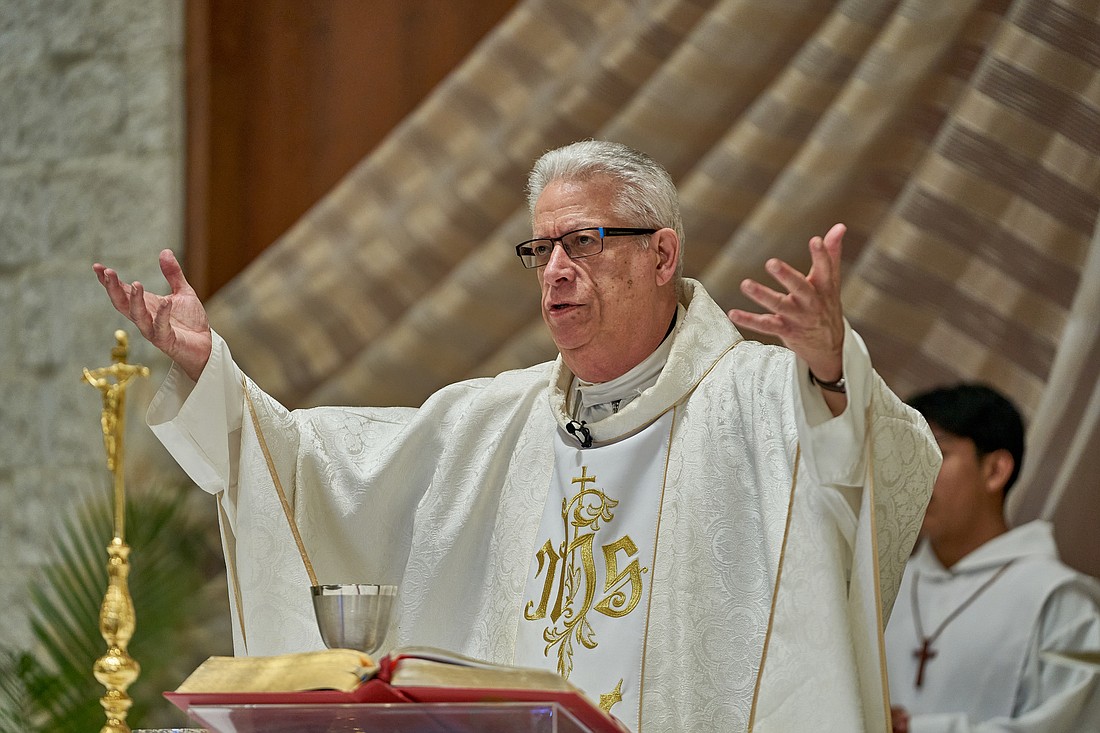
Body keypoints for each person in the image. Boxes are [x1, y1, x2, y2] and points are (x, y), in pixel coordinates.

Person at [94, 140, 940, 732]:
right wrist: (214, 375)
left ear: (662, 254)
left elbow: (886, 461)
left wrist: (833, 365)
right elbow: (320, 467)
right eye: (540, 248)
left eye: (583, 241)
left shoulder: (757, 394)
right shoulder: (496, 417)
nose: (557, 269)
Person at [885, 383, 1100, 733]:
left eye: (933, 452)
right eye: (904, 454)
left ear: (995, 470)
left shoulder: (1060, 601)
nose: (909, 475)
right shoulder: (885, 583)